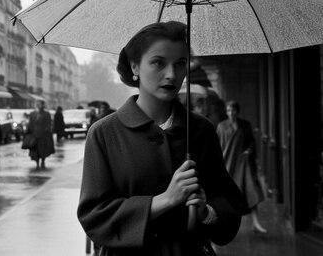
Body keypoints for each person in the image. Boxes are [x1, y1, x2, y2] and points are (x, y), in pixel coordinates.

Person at [77, 21, 247, 255]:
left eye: (180, 64)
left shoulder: (201, 130)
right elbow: (94, 216)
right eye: (158, 62)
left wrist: (206, 212)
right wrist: (165, 200)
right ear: (135, 66)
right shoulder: (104, 133)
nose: (171, 74)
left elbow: (228, 202)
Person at [217, 100, 267, 233]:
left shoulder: (245, 125)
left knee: (250, 191)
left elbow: (251, 142)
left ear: (237, 111)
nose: (230, 112)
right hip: (228, 164)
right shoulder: (221, 126)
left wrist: (249, 151)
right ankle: (228, 224)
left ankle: (256, 222)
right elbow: (217, 147)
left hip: (243, 164)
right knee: (228, 196)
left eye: (233, 110)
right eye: (228, 110)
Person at [27, 100, 54, 169]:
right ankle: (37, 162)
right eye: (37, 104)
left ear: (43, 105)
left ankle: (42, 161)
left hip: (43, 136)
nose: (38, 105)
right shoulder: (33, 114)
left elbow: (48, 124)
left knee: (43, 149)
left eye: (40, 104)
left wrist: (47, 130)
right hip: (35, 135)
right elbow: (30, 124)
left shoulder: (46, 114)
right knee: (35, 150)